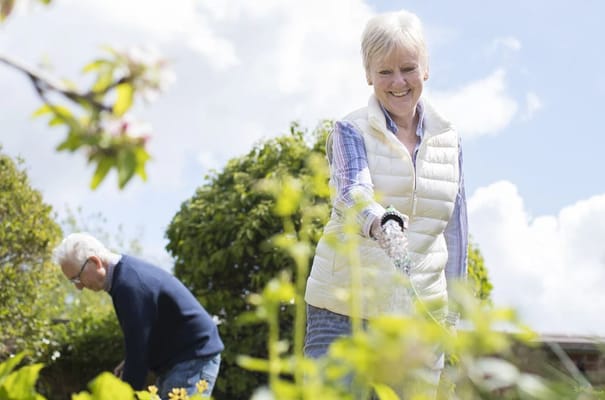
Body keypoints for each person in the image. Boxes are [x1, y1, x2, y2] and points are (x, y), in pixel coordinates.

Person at [304, 9, 468, 398]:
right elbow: (350, 192)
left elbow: (456, 229)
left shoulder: (449, 139)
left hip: (417, 320)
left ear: (425, 69)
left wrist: (453, 313)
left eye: (408, 68)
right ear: (368, 75)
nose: (398, 82)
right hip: (343, 311)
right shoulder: (350, 129)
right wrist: (382, 221)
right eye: (384, 72)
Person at [53, 233, 224, 399]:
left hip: (193, 357)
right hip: (179, 359)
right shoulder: (124, 278)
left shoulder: (130, 285)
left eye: (77, 278)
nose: (78, 287)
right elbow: (143, 338)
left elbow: (138, 359)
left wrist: (123, 394)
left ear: (95, 262)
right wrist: (129, 362)